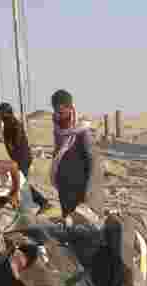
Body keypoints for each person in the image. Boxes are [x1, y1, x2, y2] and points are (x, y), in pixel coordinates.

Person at [50, 89, 103, 218]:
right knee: (69, 227)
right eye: (56, 111)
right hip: (65, 190)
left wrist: (88, 194)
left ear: (70, 108)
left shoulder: (83, 131)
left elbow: (95, 164)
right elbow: (59, 154)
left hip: (83, 192)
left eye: (61, 111)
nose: (58, 115)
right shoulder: (58, 130)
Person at [0, 102, 50, 212]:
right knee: (19, 183)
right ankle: (28, 203)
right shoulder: (9, 123)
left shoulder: (13, 124)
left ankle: (43, 202)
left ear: (4, 113)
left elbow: (16, 143)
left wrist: (15, 158)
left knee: (20, 183)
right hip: (19, 159)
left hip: (22, 159)